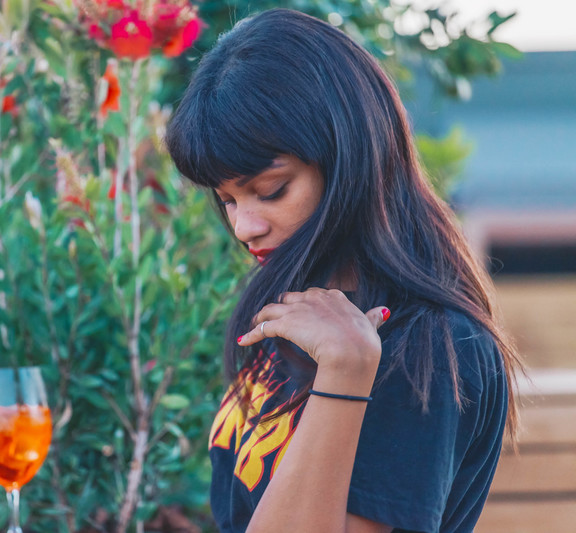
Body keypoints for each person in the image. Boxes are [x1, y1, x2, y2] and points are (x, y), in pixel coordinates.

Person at [164, 8, 522, 533]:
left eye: (271, 190)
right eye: (228, 200)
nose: (244, 227)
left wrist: (345, 373)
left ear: (348, 159)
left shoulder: (429, 346)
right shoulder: (300, 310)